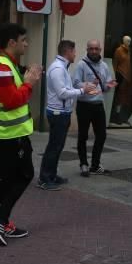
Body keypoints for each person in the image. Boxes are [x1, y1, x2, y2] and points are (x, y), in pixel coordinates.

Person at [0, 23, 42, 247]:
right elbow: (10, 101)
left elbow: (14, 97)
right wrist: (29, 84)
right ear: (11, 43)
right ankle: (1, 219)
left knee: (7, 176)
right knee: (25, 174)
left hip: (9, 131)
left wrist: (27, 82)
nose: (26, 44)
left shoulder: (8, 64)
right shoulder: (2, 67)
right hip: (9, 132)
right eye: (24, 40)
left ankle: (2, 220)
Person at [38, 40, 98, 190]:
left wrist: (84, 86)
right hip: (58, 113)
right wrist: (83, 91)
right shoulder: (58, 69)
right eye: (74, 51)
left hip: (62, 113)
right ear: (68, 51)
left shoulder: (63, 67)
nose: (76, 54)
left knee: (57, 146)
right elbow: (62, 93)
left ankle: (51, 175)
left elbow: (67, 87)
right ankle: (44, 178)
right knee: (54, 146)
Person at [73, 39, 117, 177]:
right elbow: (75, 84)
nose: (93, 51)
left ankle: (95, 164)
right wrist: (87, 85)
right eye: (91, 48)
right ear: (87, 49)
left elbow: (107, 84)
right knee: (83, 136)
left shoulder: (104, 66)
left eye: (96, 49)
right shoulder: (81, 65)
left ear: (100, 50)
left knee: (102, 135)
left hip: (98, 105)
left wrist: (110, 85)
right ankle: (83, 164)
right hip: (84, 105)